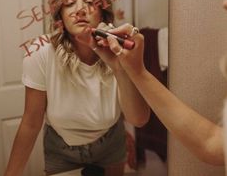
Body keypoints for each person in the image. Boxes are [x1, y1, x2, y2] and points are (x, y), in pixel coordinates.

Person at [0, 0, 149, 176]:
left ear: (103, 12)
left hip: (110, 143)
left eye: (90, 2)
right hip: (61, 149)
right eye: (69, 3)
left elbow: (138, 119)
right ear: (60, 17)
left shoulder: (120, 51)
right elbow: (31, 121)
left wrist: (119, 67)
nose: (80, 9)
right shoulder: (41, 54)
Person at [90, 16, 227, 166]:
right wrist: (137, 72)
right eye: (70, 3)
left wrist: (126, 71)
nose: (224, 2)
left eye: (90, 2)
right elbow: (213, 143)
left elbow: (213, 144)